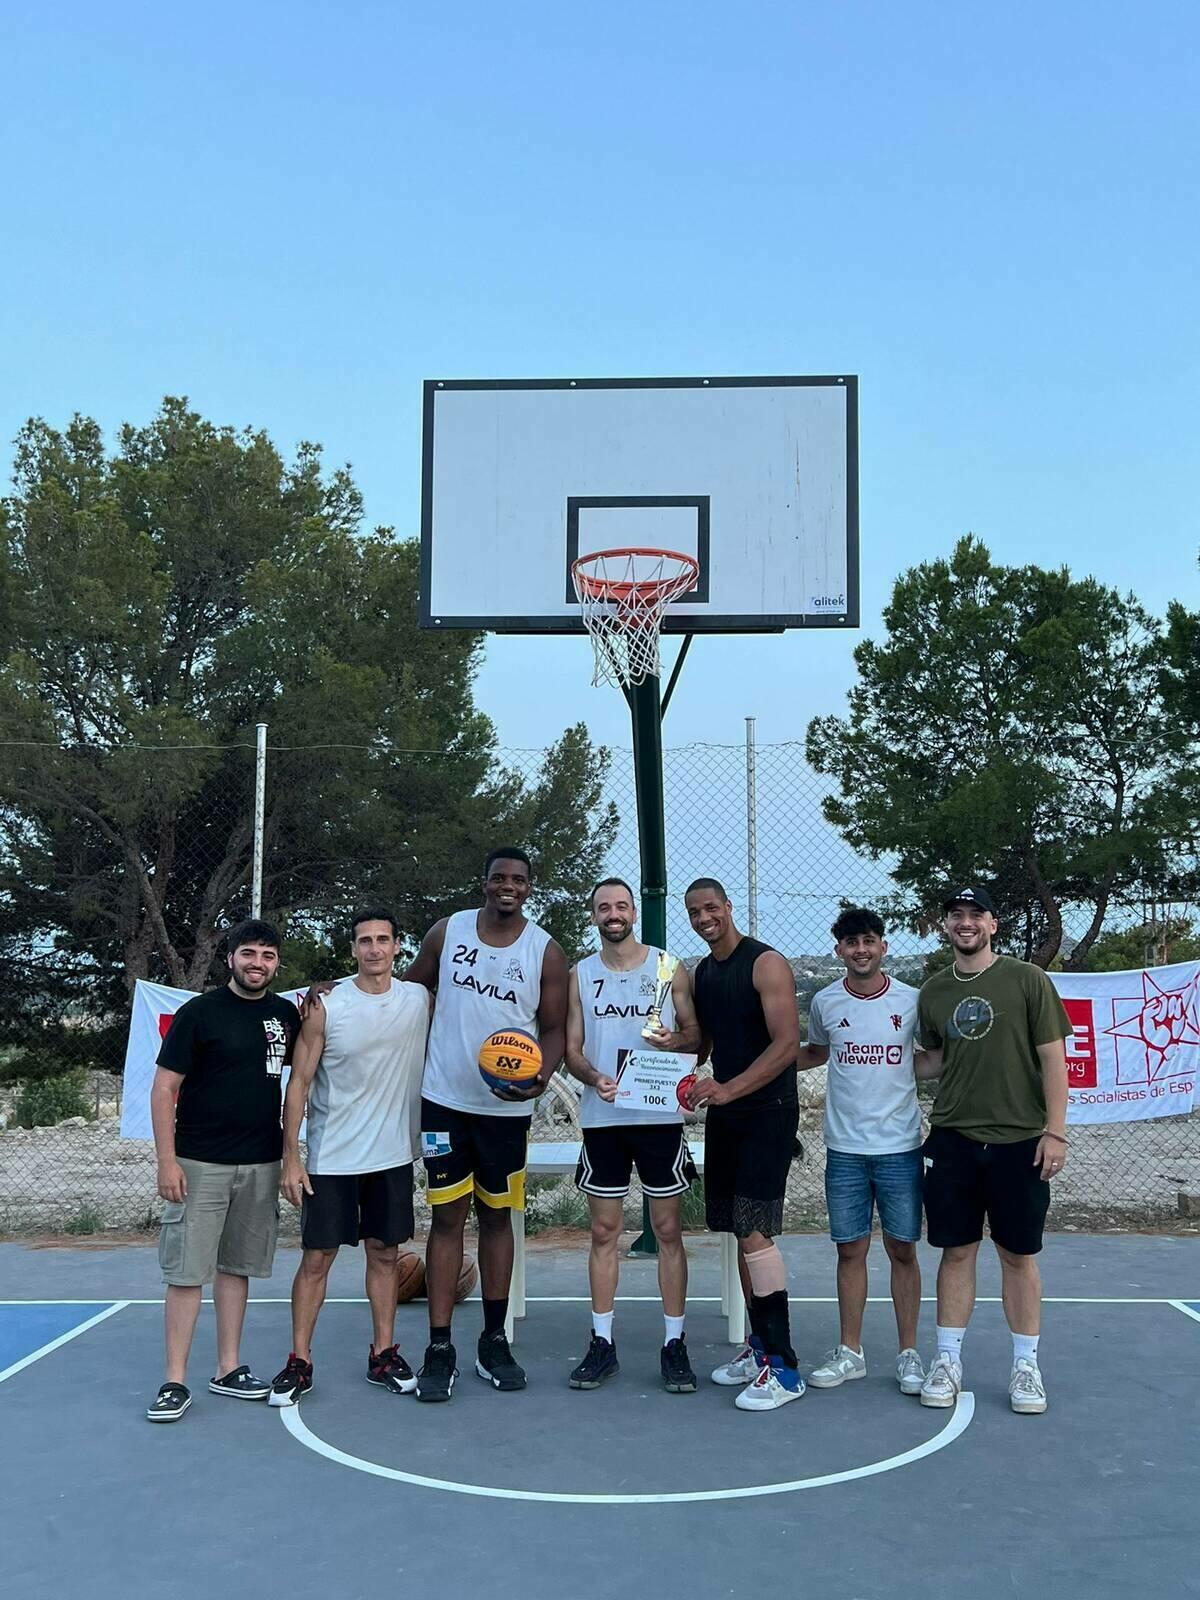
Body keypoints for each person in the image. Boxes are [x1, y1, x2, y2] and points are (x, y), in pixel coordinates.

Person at [406, 846, 568, 1402]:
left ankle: (494, 1341)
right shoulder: (446, 933)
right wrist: (344, 993)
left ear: (530, 887)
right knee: (446, 1219)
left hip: (505, 1109)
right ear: (484, 883)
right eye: (498, 877)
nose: (508, 886)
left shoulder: (544, 951)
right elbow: (407, 992)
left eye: (518, 880)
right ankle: (440, 1346)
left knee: (498, 1220)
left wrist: (540, 1077)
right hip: (444, 1101)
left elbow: (553, 1031)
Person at [915, 886, 1071, 1415]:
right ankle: (947, 1360)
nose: (965, 923)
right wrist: (869, 1059)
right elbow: (934, 1061)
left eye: (975, 915)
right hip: (953, 1138)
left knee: (1017, 1255)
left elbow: (1054, 1060)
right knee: (955, 1251)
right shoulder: (934, 991)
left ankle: (1026, 1366)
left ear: (992, 924)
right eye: (956, 915)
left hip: (1020, 1141)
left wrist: (1056, 1131)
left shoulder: (1027, 979)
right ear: (946, 925)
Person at [269, 908, 431, 1407]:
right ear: (353, 948)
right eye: (365, 941)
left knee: (385, 1255)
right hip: (332, 1157)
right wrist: (291, 1159)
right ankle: (300, 1361)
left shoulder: (418, 999)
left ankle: (382, 1353)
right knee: (317, 1259)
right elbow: (297, 1084)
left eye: (383, 940)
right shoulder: (326, 1004)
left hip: (392, 1156)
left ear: (398, 946)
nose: (375, 949)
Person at [146, 919, 299, 1422]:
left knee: (236, 1268)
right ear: (230, 958)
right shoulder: (200, 1014)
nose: (258, 963)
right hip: (199, 1162)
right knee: (188, 1273)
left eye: (268, 955)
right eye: (249, 953)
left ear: (277, 963)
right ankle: (174, 1380)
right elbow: (164, 1089)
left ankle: (228, 1368)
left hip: (259, 1162)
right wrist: (167, 1161)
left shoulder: (284, 1015)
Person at [564, 878, 702, 1393]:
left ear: (633, 913)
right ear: (595, 915)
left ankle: (674, 1343)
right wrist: (590, 1076)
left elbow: (694, 1036)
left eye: (621, 905)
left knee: (668, 1231)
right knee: (603, 1233)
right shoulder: (581, 974)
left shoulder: (667, 967)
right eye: (604, 907)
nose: (614, 913)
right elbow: (573, 1048)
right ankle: (602, 1342)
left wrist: (675, 1042)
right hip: (605, 1118)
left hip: (659, 1118)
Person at [684, 878, 804, 1412]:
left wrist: (729, 1088)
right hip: (727, 1114)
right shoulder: (703, 974)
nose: (705, 917)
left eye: (712, 907)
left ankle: (784, 1365)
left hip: (766, 1113)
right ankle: (758, 1347)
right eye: (695, 912)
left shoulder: (766, 963)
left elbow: (787, 1045)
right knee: (738, 1228)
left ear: (728, 907)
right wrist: (672, 1055)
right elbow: (706, 1043)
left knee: (754, 1230)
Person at [800, 907, 926, 1396]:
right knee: (850, 1249)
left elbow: (932, 1058)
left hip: (900, 1147)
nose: (861, 950)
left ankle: (909, 1353)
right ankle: (850, 1351)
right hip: (845, 1148)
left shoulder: (912, 1001)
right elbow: (814, 1052)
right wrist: (755, 1064)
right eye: (852, 943)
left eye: (869, 941)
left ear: (883, 946)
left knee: (903, 1250)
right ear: (839, 951)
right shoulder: (826, 1001)